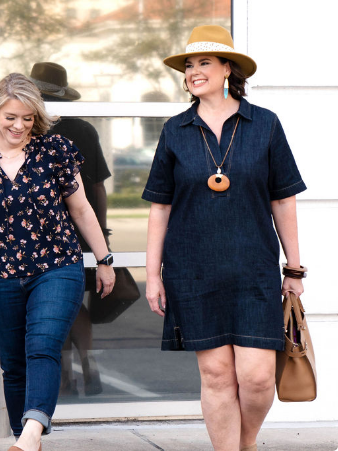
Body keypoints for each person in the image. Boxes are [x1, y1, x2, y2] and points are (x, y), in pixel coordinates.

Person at [142, 25, 306, 451]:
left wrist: (293, 267)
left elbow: (284, 200)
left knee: (256, 379)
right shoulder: (175, 130)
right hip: (192, 270)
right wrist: (152, 274)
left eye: (204, 63)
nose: (194, 72)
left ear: (227, 69)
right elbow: (160, 207)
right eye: (189, 65)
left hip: (252, 269)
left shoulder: (265, 125)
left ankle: (245, 443)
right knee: (216, 376)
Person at [0, 73, 115, 451]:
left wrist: (104, 259)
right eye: (11, 117)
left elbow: (81, 209)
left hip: (56, 266)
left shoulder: (56, 151)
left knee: (43, 346)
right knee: (14, 365)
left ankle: (32, 434)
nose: (19, 126)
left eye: (28, 118)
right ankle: (27, 439)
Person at [30, 61, 112, 396]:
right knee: (72, 302)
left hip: (40, 232)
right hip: (81, 231)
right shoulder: (84, 130)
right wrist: (101, 236)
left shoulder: (31, 130)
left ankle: (66, 375)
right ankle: (88, 366)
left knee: (53, 305)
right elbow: (98, 189)